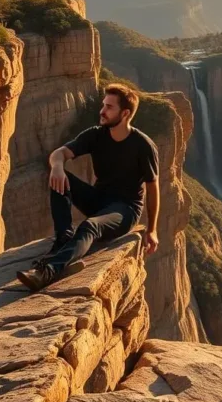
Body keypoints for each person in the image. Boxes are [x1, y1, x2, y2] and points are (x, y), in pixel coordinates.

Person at [17, 84, 161, 291]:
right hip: (99, 199)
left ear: (125, 113)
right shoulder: (96, 134)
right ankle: (64, 238)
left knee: (89, 226)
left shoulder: (143, 146)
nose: (102, 111)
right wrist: (57, 167)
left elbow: (153, 187)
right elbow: (59, 153)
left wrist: (153, 230)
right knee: (60, 177)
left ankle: (48, 271)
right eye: (103, 105)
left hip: (125, 210)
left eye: (109, 107)